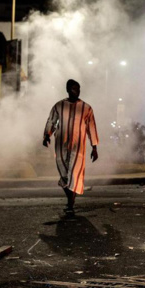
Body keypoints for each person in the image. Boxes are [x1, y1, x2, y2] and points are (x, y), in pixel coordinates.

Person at [43, 79, 99, 214]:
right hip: (61, 145)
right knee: (64, 175)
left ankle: (70, 203)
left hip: (78, 147)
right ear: (68, 90)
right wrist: (46, 135)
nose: (77, 92)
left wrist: (94, 147)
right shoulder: (59, 106)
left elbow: (91, 128)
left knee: (74, 174)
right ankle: (70, 199)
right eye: (74, 89)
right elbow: (51, 120)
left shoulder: (86, 108)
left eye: (78, 89)